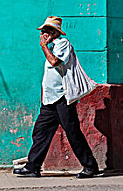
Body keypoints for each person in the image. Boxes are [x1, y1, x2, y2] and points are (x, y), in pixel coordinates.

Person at [13, 16, 99, 178]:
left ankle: (90, 166)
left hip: (62, 98)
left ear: (54, 32)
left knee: (72, 132)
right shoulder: (53, 46)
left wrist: (44, 47)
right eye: (42, 31)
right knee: (40, 132)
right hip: (50, 100)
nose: (43, 34)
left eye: (46, 31)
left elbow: (55, 62)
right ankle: (33, 166)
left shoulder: (63, 45)